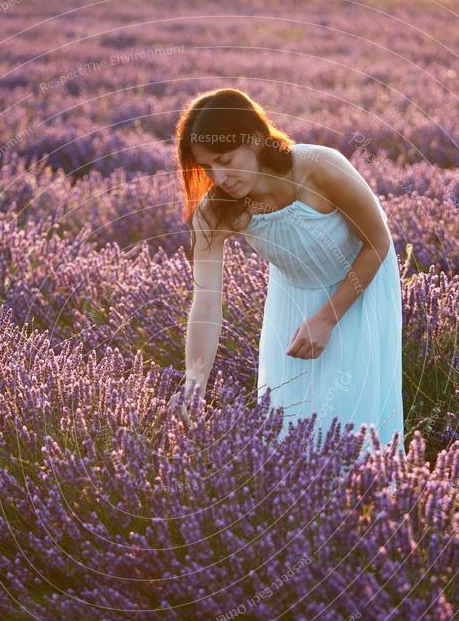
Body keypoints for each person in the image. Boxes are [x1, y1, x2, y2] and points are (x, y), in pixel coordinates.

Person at [169, 88, 405, 460]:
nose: (219, 177)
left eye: (226, 159)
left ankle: (367, 505)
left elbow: (378, 242)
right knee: (289, 426)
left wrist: (327, 318)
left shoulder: (318, 168)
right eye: (207, 167)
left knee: (351, 417)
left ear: (256, 138)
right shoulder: (215, 212)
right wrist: (195, 381)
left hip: (360, 284)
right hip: (292, 299)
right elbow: (206, 303)